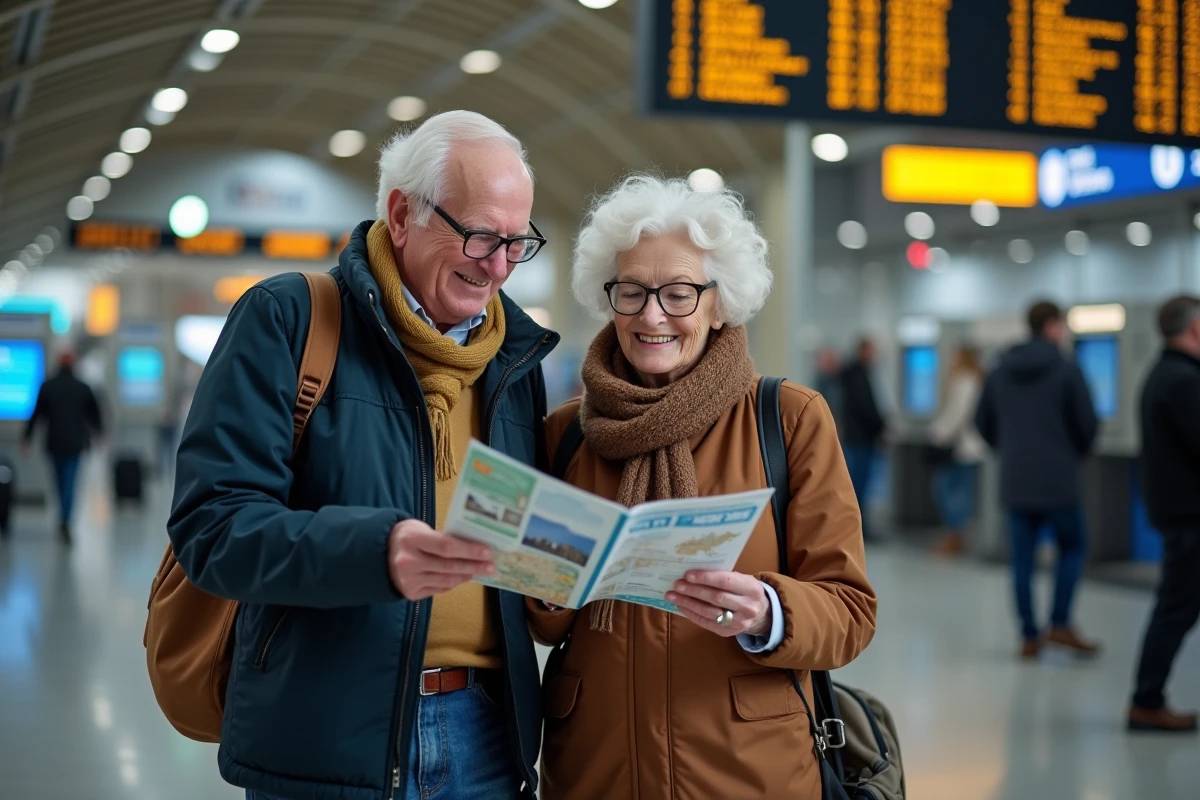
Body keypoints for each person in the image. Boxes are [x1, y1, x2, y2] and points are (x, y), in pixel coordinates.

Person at [168, 111, 558, 800]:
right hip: (326, 733)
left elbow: (513, 542)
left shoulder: (515, 362)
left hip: (486, 739)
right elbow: (214, 527)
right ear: (402, 214)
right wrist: (374, 551)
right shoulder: (289, 320)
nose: (498, 266)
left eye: (515, 242)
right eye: (478, 236)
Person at [528, 175, 877, 799]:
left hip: (746, 771)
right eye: (631, 291)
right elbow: (544, 624)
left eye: (680, 293)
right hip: (596, 769)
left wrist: (768, 612)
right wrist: (548, 585)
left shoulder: (789, 419)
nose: (651, 315)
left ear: (721, 304)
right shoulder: (567, 434)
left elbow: (850, 611)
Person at [975, 300, 1099, 659]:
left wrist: (1010, 450)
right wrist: (1068, 453)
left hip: (1016, 481)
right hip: (1059, 480)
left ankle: (1029, 635)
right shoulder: (1066, 368)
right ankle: (1059, 623)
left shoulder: (999, 370)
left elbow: (982, 422)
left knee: (1023, 561)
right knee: (1073, 547)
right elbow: (1087, 425)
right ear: (1051, 327)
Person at [1128, 295, 1200, 733]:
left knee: (1174, 607)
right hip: (1191, 517)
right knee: (1175, 609)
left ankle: (1148, 698)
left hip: (1178, 513)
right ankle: (1146, 700)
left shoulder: (1164, 373)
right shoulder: (1183, 381)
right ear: (1193, 329)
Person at [21, 350, 104, 545]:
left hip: (54, 442)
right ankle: (65, 519)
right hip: (75, 442)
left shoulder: (48, 386)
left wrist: (27, 438)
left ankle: (63, 516)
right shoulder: (82, 387)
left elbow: (36, 414)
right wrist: (99, 432)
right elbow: (94, 414)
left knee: (58, 481)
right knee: (70, 481)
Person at [928, 345, 986, 556]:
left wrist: (938, 433)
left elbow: (957, 414)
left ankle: (956, 535)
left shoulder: (965, 381)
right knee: (959, 491)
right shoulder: (974, 379)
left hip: (962, 448)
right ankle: (956, 534)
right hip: (967, 447)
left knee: (947, 489)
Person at [839, 336, 885, 539]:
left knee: (861, 485)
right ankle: (858, 529)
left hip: (861, 437)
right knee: (859, 486)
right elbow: (865, 407)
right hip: (860, 438)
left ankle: (859, 527)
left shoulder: (860, 374)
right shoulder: (857, 375)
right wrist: (881, 425)